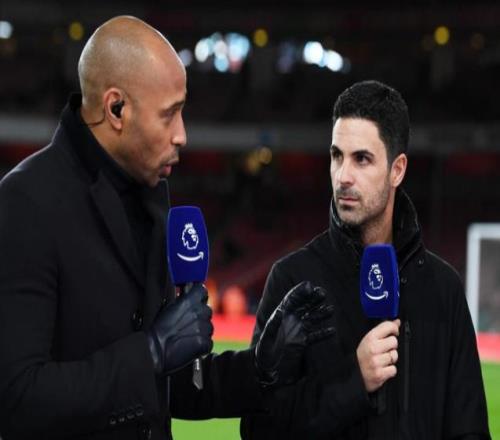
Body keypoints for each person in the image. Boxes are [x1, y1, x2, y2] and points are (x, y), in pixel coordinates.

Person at [0, 16, 335, 440]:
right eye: (169, 114)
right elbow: (16, 399)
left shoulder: (151, 195)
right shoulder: (25, 203)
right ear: (116, 109)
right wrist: (150, 353)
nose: (182, 135)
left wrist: (259, 367)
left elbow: (168, 389)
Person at [241, 80, 491, 439]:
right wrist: (352, 382)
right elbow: (258, 429)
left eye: (361, 159)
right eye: (336, 156)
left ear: (397, 170)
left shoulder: (443, 288)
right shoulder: (291, 280)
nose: (343, 176)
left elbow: (470, 429)